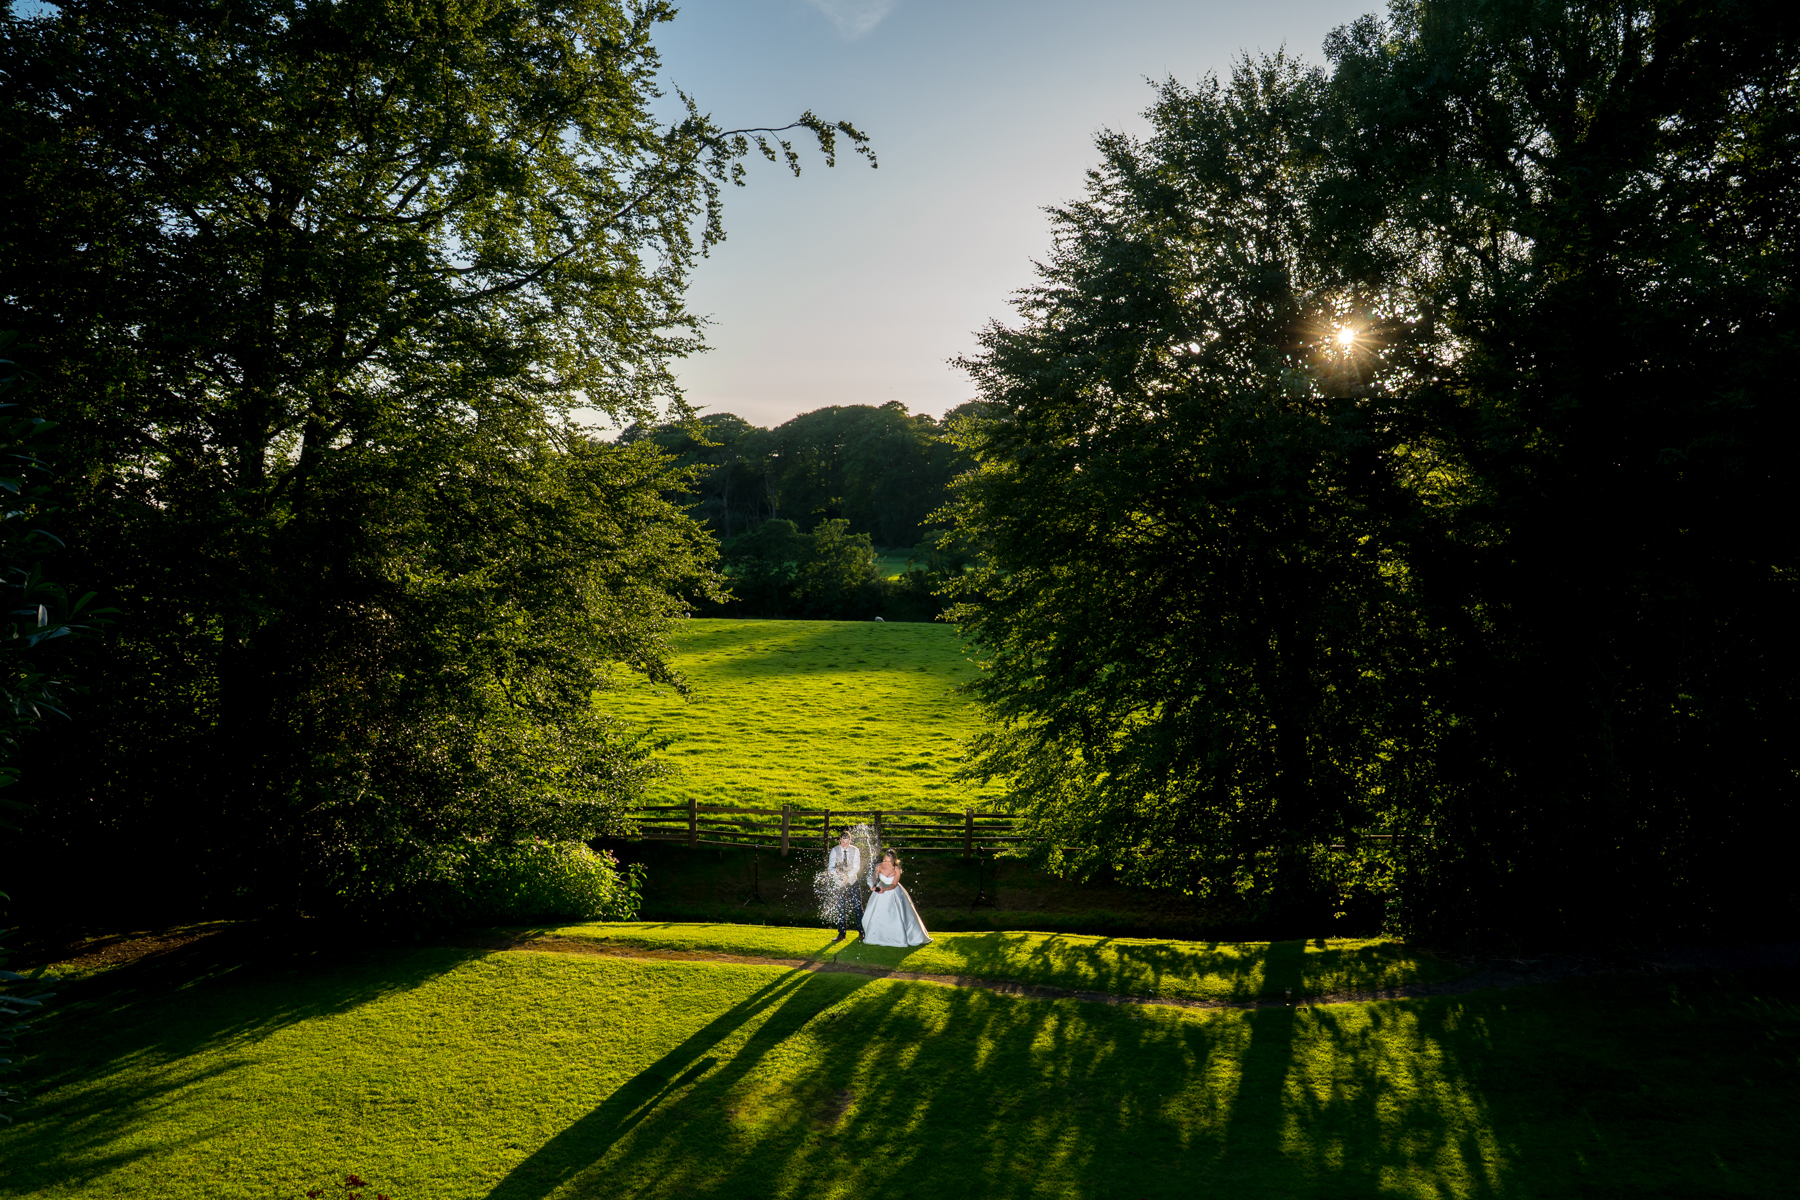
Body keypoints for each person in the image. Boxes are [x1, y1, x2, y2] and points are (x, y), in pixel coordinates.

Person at [860, 850, 932, 947]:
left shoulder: (897, 869)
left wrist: (884, 890)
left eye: (889, 861)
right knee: (876, 913)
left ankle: (897, 937)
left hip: (892, 892)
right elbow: (874, 876)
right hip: (880, 890)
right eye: (885, 860)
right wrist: (872, 884)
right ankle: (876, 935)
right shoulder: (880, 866)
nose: (886, 863)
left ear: (893, 861)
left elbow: (894, 885)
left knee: (896, 915)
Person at [825, 829, 862, 943]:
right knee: (841, 907)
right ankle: (841, 934)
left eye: (847, 842)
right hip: (839, 881)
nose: (845, 845)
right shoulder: (834, 851)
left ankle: (862, 932)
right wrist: (838, 875)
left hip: (852, 881)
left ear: (850, 840)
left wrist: (847, 876)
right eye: (843, 842)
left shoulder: (855, 850)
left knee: (858, 907)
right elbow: (830, 867)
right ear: (840, 840)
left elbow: (856, 867)